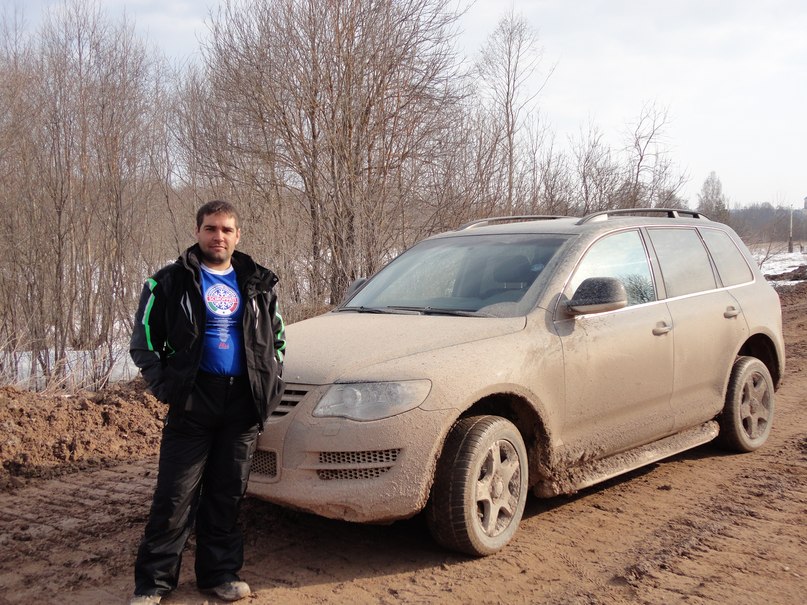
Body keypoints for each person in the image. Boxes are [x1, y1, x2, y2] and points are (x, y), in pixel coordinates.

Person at [128, 200, 286, 604]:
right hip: (194, 401)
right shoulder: (169, 281)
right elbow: (144, 342)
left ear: (238, 235)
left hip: (242, 404)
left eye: (226, 229)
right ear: (197, 232)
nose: (219, 236)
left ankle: (220, 574)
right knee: (174, 496)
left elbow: (277, 339)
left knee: (226, 494)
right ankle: (153, 583)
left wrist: (270, 384)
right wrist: (169, 388)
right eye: (211, 228)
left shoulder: (258, 283)